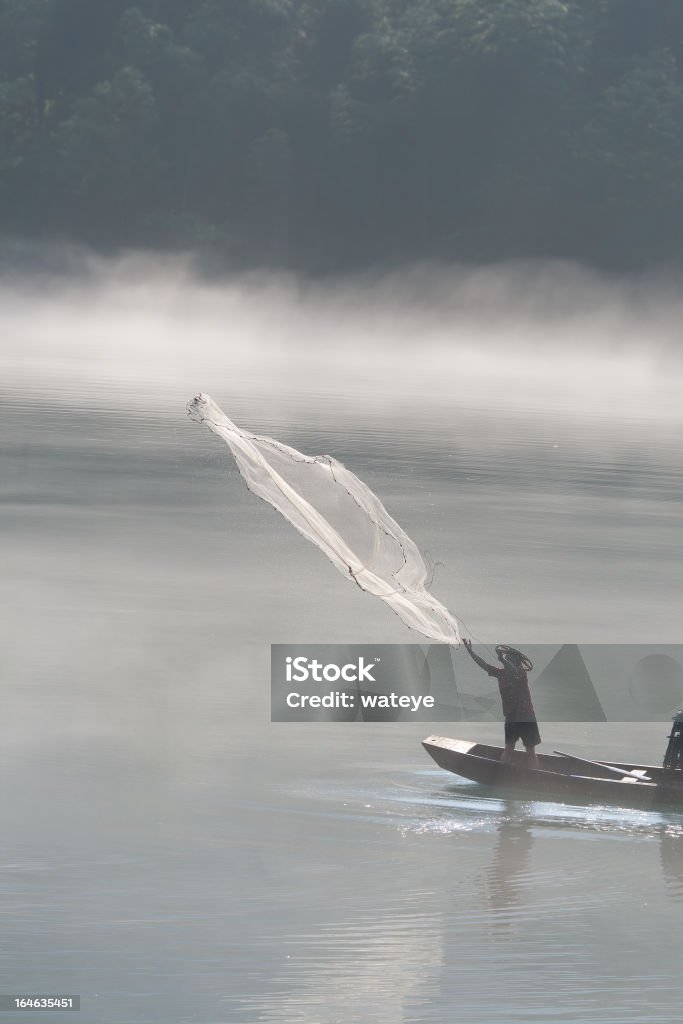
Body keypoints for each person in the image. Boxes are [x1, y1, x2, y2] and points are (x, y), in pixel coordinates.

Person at [463, 639, 540, 769]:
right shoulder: (500, 673)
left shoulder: (521, 673)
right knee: (508, 749)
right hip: (511, 716)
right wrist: (470, 651)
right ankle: (502, 773)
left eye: (509, 658)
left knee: (530, 751)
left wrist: (502, 660)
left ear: (516, 662)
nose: (506, 658)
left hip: (526, 716)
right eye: (506, 657)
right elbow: (483, 664)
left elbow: (513, 670)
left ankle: (534, 776)